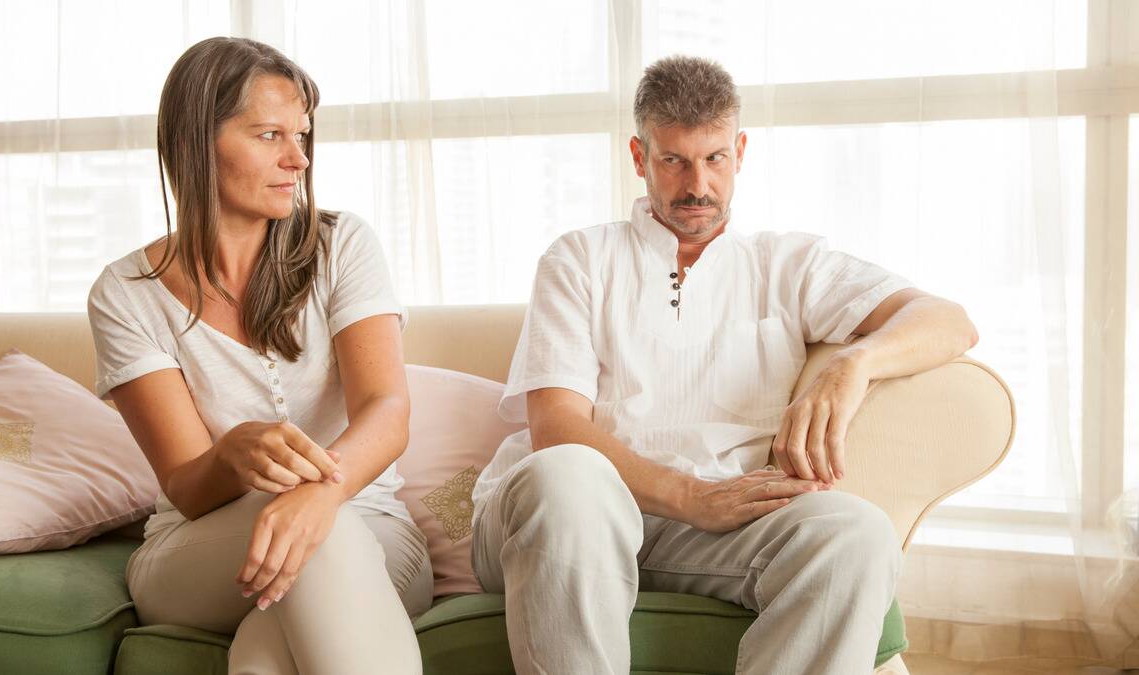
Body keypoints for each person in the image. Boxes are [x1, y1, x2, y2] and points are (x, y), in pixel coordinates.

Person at [470, 55, 979, 675]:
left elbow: (949, 321)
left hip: (714, 531)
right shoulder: (580, 258)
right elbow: (556, 429)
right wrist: (690, 495)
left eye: (714, 159)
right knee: (569, 473)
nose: (697, 186)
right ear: (639, 157)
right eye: (673, 160)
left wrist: (854, 364)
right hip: (561, 523)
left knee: (856, 532)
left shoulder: (787, 265)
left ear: (739, 151)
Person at [87, 37, 430, 675]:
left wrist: (322, 495)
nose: (298, 159)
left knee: (266, 655)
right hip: (201, 551)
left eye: (302, 136)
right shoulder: (125, 294)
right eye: (270, 135)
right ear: (193, 142)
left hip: (371, 527)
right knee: (320, 546)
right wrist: (232, 451)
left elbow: (388, 409)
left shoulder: (341, 244)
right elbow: (188, 487)